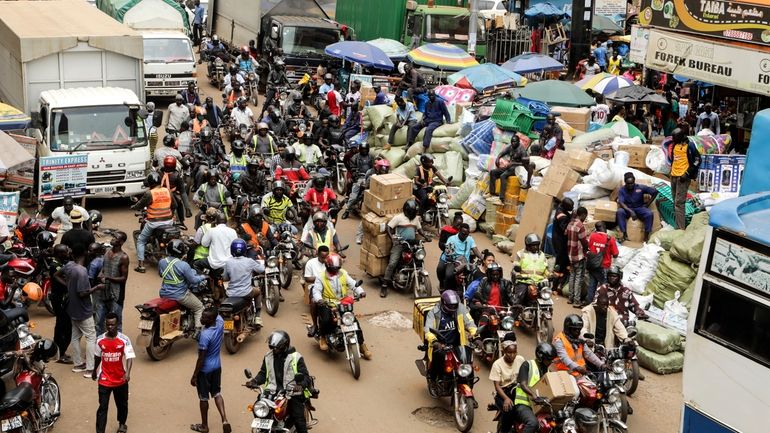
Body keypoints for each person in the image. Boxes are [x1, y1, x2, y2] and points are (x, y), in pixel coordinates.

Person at [248, 331, 312, 433]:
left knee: (298, 420)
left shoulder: (296, 357)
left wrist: (299, 385)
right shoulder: (268, 356)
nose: (274, 350)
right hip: (273, 391)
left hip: (292, 392)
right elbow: (263, 373)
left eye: (276, 348)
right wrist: (254, 380)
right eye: (272, 347)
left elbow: (305, 377)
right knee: (258, 407)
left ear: (284, 345)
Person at [311, 254, 372, 359]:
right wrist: (319, 299)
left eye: (337, 268)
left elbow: (353, 284)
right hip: (327, 304)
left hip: (343, 303)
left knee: (354, 322)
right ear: (328, 266)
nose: (336, 270)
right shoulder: (321, 277)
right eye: (334, 268)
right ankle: (322, 338)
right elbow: (316, 291)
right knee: (325, 320)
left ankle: (362, 345)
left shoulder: (343, 273)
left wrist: (360, 292)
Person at [57, 253, 103, 377]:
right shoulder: (82, 271)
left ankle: (78, 365)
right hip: (83, 310)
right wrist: (97, 287)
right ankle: (90, 369)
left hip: (72, 309)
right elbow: (83, 293)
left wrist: (68, 286)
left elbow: (56, 275)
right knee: (91, 337)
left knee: (75, 337)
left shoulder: (69, 266)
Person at [190, 307, 231, 433]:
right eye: (202, 315)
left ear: (211, 319)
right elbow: (217, 312)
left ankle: (204, 426)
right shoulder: (220, 322)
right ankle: (224, 419)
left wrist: (194, 375)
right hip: (217, 367)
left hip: (205, 370)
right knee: (217, 393)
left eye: (205, 317)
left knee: (203, 398)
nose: (201, 318)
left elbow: (201, 359)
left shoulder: (205, 335)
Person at [92, 312, 134, 433]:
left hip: (120, 379)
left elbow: (129, 356)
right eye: (108, 325)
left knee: (122, 404)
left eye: (113, 325)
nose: (110, 327)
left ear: (117, 324)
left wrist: (128, 373)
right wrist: (94, 370)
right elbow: (97, 357)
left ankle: (122, 424)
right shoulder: (100, 340)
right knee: (103, 407)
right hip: (104, 380)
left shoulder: (124, 339)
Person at [423, 291, 477, 381]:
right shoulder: (434, 313)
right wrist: (435, 342)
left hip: (458, 344)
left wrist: (476, 336)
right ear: (444, 303)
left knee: (468, 363)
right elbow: (428, 331)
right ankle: (433, 378)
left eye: (455, 305)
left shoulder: (461, 309)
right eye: (450, 305)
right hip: (441, 345)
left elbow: (470, 323)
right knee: (438, 356)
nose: (453, 307)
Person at [382, 200, 430, 297]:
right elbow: (388, 227)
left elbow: (419, 229)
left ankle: (415, 279)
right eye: (412, 212)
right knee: (393, 263)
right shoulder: (399, 218)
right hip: (400, 244)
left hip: (411, 244)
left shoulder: (415, 219)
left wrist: (425, 236)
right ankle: (384, 285)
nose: (413, 214)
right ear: (407, 210)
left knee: (419, 260)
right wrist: (392, 238)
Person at [131, 172, 175, 273]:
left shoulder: (149, 193)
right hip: (169, 221)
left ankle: (141, 266)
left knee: (141, 241)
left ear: (150, 183)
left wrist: (133, 207)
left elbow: (140, 205)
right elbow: (174, 205)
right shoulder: (168, 191)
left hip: (154, 223)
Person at [159, 240, 206, 329]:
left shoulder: (162, 262)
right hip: (180, 295)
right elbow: (193, 280)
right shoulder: (184, 265)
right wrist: (203, 276)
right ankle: (198, 332)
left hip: (164, 293)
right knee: (199, 308)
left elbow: (161, 274)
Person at [511, 343, 557, 433]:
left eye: (552, 360)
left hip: (539, 406)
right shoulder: (527, 365)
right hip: (523, 404)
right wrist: (534, 396)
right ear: (540, 357)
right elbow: (523, 384)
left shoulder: (548, 371)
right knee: (533, 423)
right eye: (549, 359)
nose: (551, 362)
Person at [489, 335, 526, 433]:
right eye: (509, 352)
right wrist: (506, 398)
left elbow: (525, 376)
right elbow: (497, 386)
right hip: (503, 393)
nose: (512, 355)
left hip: (517, 390)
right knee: (509, 410)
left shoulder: (520, 359)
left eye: (514, 352)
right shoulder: (497, 364)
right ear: (504, 352)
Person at [223, 239, 264, 327]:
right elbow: (261, 269)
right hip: (246, 292)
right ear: (245, 250)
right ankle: (257, 317)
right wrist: (261, 263)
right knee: (258, 291)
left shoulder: (228, 262)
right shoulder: (249, 261)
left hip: (231, 293)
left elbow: (225, 278)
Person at [198, 212, 238, 300]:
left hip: (214, 263)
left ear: (216, 221)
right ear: (226, 222)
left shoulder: (212, 231)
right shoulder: (233, 231)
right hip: (229, 263)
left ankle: (205, 286)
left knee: (196, 264)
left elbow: (204, 244)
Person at [96, 232, 129, 335]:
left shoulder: (124, 257)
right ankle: (99, 345)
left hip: (116, 294)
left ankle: (117, 347)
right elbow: (104, 268)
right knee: (99, 322)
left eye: (116, 237)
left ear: (122, 242)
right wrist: (100, 274)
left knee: (116, 323)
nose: (113, 239)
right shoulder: (107, 252)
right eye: (113, 236)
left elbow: (123, 278)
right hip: (103, 292)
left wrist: (107, 278)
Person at [668, 128, 701, 230]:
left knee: (679, 203)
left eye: (674, 137)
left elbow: (697, 160)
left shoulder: (689, 145)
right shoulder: (675, 145)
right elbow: (674, 159)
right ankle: (678, 225)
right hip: (674, 176)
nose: (673, 139)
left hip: (682, 178)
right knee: (675, 202)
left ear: (681, 136)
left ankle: (680, 229)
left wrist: (687, 173)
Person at [488, 135, 532, 204]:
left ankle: (501, 199)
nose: (513, 143)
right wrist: (498, 158)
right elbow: (502, 152)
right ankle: (492, 193)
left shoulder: (522, 150)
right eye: (512, 142)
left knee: (503, 176)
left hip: (517, 168)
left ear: (518, 141)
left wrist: (513, 163)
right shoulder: (511, 147)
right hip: (509, 166)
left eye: (514, 142)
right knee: (493, 172)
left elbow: (525, 164)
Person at [438, 223, 482, 291]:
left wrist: (482, 258)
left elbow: (475, 250)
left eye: (466, 234)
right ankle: (447, 291)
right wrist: (450, 257)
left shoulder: (470, 239)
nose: (465, 236)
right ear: (459, 231)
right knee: (449, 275)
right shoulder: (451, 239)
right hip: (453, 261)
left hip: (465, 262)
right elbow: (448, 253)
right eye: (463, 234)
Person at [616, 172, 658, 241]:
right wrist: (631, 211)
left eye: (632, 183)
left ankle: (646, 236)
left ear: (634, 181)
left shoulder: (640, 187)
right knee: (620, 212)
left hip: (639, 208)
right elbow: (621, 202)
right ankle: (624, 234)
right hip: (628, 209)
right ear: (625, 182)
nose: (630, 185)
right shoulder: (622, 190)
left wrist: (647, 204)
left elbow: (655, 192)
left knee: (649, 213)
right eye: (628, 183)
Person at [510, 233, 549, 306]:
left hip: (539, 282)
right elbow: (515, 267)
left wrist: (551, 275)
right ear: (528, 245)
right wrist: (518, 273)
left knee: (547, 296)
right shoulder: (520, 254)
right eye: (533, 245)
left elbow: (545, 269)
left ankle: (546, 309)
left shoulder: (542, 255)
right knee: (519, 298)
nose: (535, 247)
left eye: (537, 245)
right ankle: (513, 314)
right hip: (524, 281)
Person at [51, 244, 73, 363]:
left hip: (61, 298)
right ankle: (60, 354)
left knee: (61, 325)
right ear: (59, 254)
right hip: (59, 299)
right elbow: (60, 280)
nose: (68, 252)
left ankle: (58, 351)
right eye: (65, 251)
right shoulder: (55, 266)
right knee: (64, 326)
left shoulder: (61, 262)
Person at [586, 222, 618, 303]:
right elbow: (615, 254)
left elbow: (588, 247)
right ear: (604, 227)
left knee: (592, 285)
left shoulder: (592, 236)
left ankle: (589, 303)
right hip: (604, 266)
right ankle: (600, 304)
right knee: (603, 287)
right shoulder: (610, 239)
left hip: (592, 265)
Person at [341, 143, 373, 218]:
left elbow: (373, 167)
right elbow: (352, 167)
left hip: (369, 178)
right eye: (363, 149)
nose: (364, 151)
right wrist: (355, 174)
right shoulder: (355, 157)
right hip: (359, 178)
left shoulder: (371, 157)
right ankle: (347, 210)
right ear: (360, 149)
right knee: (354, 196)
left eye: (366, 149)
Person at [303, 246, 329, 337]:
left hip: (329, 287)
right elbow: (307, 278)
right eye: (322, 257)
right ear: (317, 254)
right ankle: (315, 325)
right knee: (314, 301)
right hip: (315, 287)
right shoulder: (310, 263)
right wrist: (320, 279)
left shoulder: (330, 262)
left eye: (326, 257)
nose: (324, 259)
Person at [567, 207, 589, 306]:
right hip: (579, 255)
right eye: (585, 216)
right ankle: (576, 301)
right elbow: (584, 241)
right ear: (583, 215)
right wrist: (587, 249)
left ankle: (570, 298)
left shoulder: (570, 223)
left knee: (572, 276)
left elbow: (566, 234)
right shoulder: (580, 226)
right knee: (578, 278)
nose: (585, 218)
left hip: (570, 254)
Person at [551, 198, 573, 286]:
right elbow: (565, 230)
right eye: (571, 206)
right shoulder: (561, 216)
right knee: (560, 262)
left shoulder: (561, 208)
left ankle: (561, 282)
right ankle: (555, 285)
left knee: (564, 261)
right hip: (559, 241)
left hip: (560, 239)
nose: (573, 207)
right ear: (565, 206)